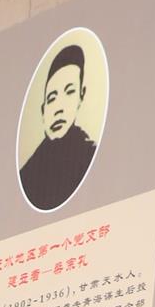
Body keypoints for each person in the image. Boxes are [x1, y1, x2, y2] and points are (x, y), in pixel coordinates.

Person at [20, 43, 97, 211]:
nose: (58, 109)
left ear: (81, 97)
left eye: (69, 92)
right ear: (43, 110)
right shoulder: (27, 174)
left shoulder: (89, 154)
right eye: (52, 98)